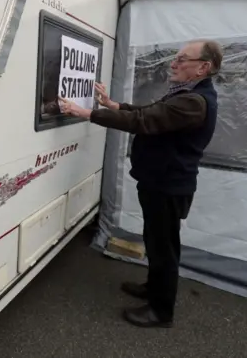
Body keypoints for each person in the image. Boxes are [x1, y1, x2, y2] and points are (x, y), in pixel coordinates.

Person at [59, 39, 223, 328]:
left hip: (168, 187)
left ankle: (161, 312)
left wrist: (86, 112)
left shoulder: (194, 102)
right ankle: (153, 287)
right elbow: (149, 111)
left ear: (203, 67)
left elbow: (144, 120)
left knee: (164, 248)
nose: (174, 64)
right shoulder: (187, 94)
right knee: (155, 240)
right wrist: (113, 104)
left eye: (182, 59)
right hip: (160, 182)